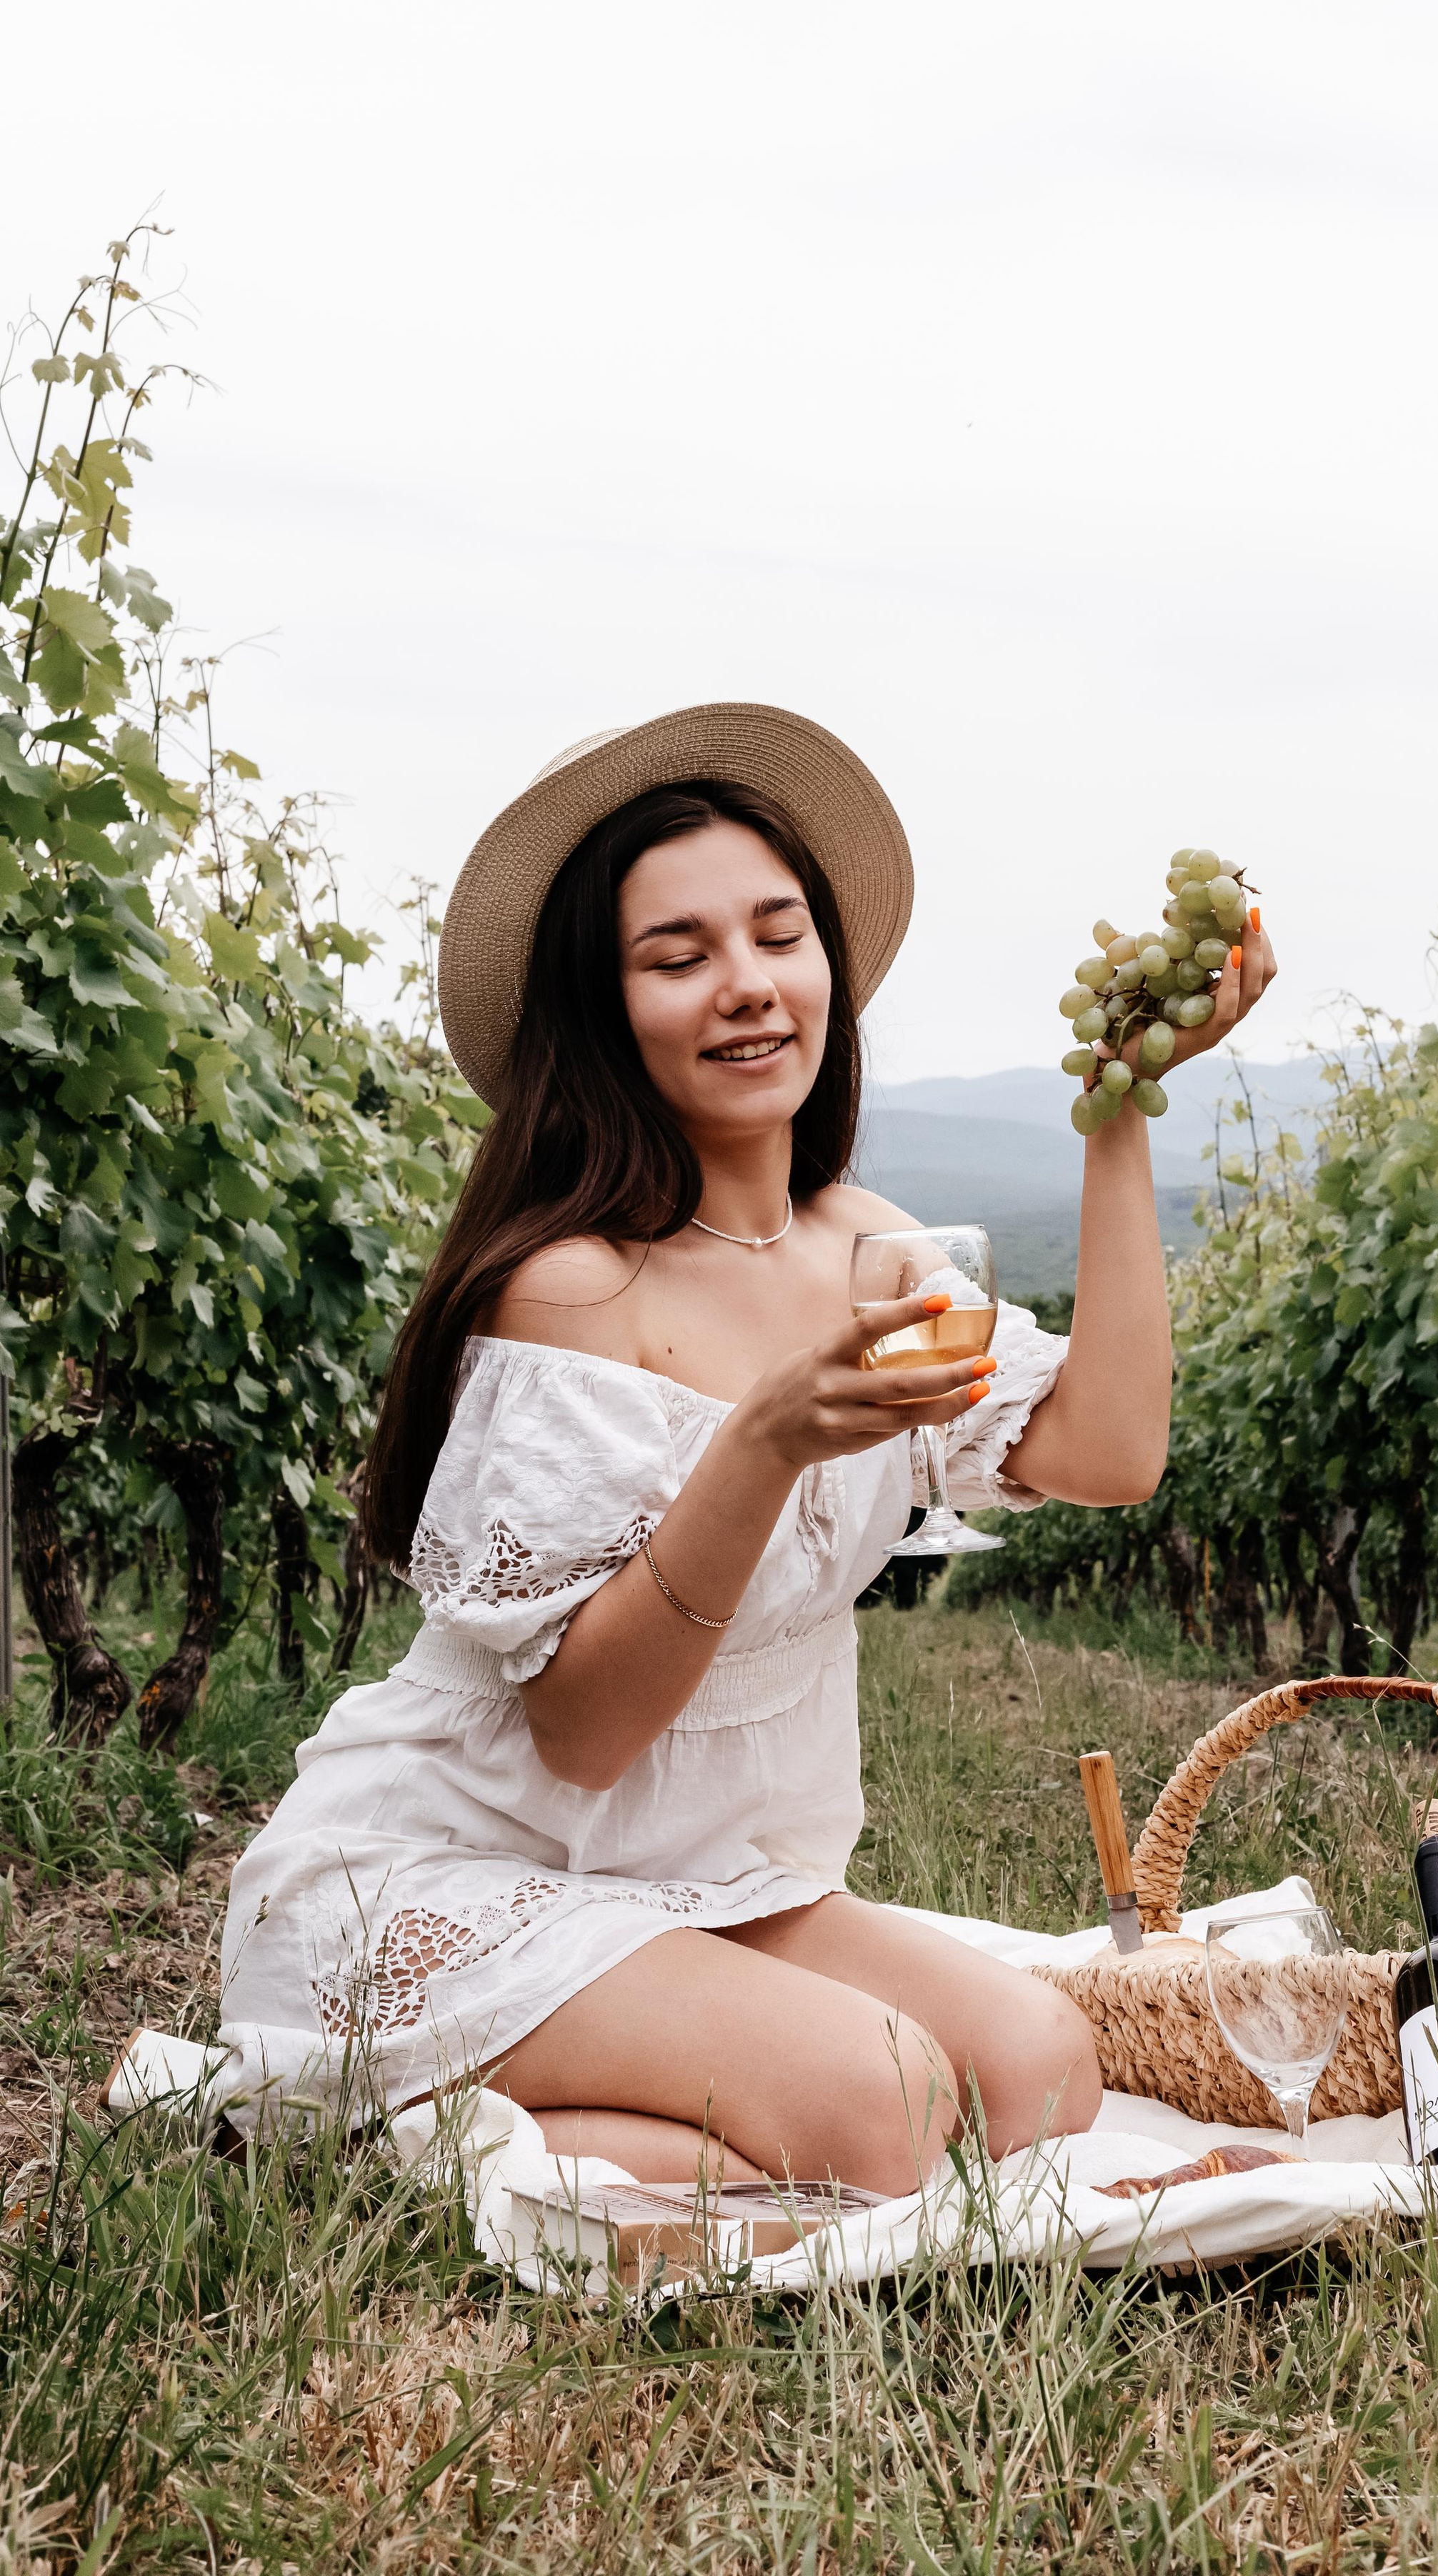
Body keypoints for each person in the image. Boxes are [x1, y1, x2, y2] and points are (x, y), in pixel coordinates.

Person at [214, 704, 1277, 2195]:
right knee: (894, 2108)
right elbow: (583, 1739)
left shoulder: (871, 1246)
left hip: (693, 1882)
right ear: (605, 1011)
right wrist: (765, 1442)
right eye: (677, 957)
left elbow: (1104, 1452)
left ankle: (636, 2151)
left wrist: (1114, 1114)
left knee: (1039, 2071)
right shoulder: (574, 1288)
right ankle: (355, 2128)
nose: (747, 987)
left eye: (777, 935)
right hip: (447, 1877)